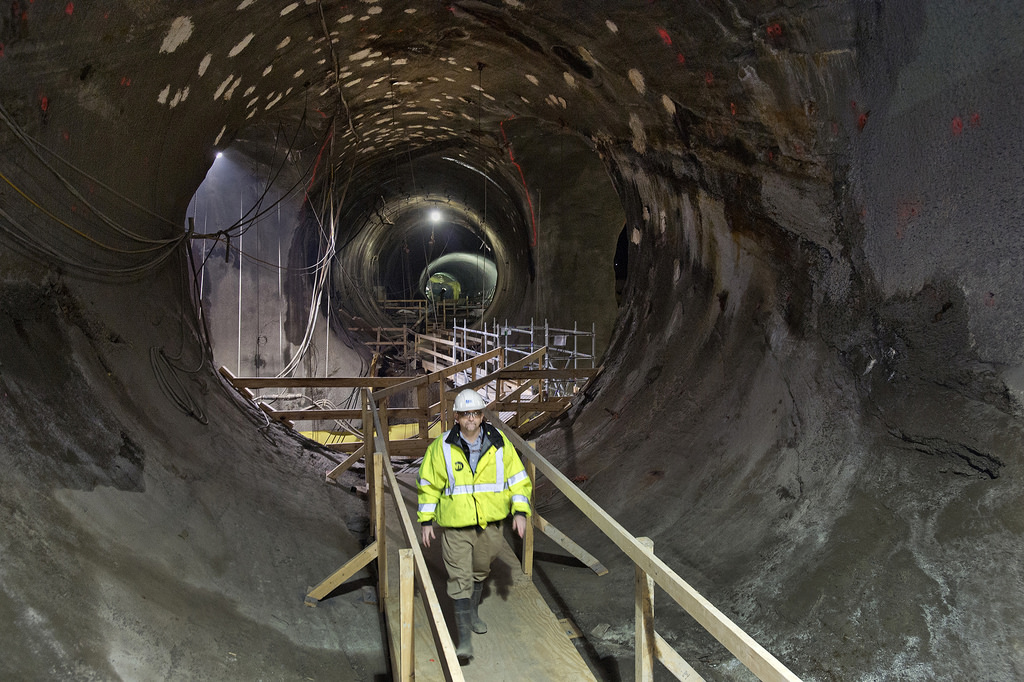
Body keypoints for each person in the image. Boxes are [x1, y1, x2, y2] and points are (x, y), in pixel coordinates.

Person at [417, 388, 533, 662]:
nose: (470, 418)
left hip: (490, 525)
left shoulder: (499, 442)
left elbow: (517, 478)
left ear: (482, 416)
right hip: (456, 525)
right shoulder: (441, 447)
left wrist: (519, 512)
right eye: (465, 414)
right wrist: (426, 519)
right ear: (456, 417)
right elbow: (429, 484)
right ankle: (464, 643)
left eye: (475, 413)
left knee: (481, 570)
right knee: (460, 578)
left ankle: (473, 613)